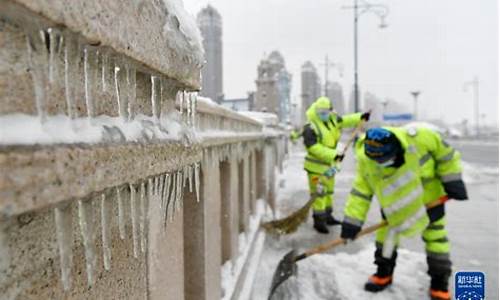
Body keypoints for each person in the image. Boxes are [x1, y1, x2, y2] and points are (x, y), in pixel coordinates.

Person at [340, 126, 468, 300]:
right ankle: (383, 274)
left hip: (430, 203)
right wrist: (352, 222)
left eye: (385, 159)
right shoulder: (366, 159)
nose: (380, 163)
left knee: (436, 241)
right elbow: (361, 192)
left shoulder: (422, 138)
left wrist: (453, 180)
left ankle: (439, 284)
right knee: (385, 241)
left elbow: (447, 156)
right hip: (394, 208)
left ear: (396, 149)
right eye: (377, 160)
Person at [302, 96, 370, 234]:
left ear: (330, 111)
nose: (324, 115)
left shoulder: (333, 119)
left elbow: (345, 120)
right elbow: (313, 148)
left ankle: (328, 216)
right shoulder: (310, 127)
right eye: (321, 112)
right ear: (316, 110)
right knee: (319, 194)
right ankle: (319, 221)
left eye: (326, 112)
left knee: (328, 192)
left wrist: (360, 116)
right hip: (315, 168)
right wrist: (334, 154)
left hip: (330, 167)